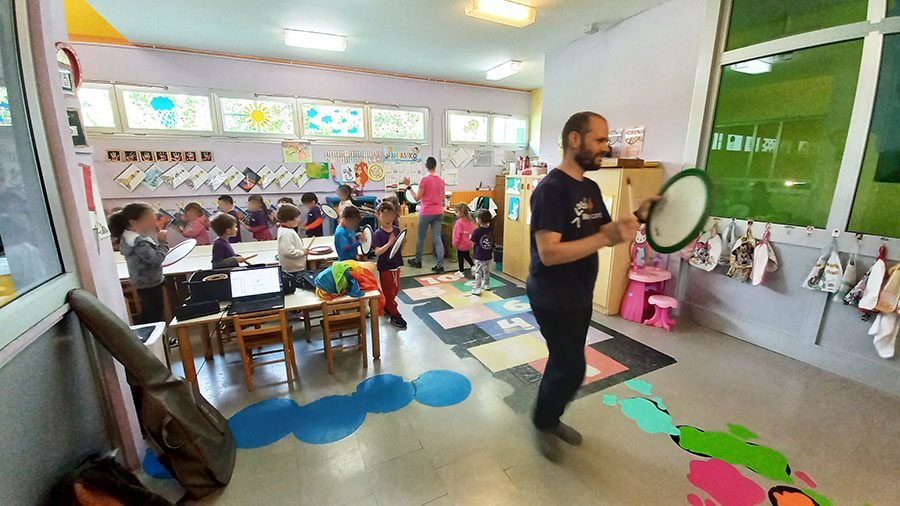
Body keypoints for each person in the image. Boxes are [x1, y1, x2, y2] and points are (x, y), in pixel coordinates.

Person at [528, 111, 656, 457]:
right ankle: (544, 421)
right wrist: (605, 239)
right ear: (574, 139)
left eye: (606, 140)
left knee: (565, 362)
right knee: (571, 366)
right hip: (552, 296)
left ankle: (546, 415)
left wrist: (640, 216)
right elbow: (549, 253)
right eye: (599, 139)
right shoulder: (551, 190)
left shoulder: (591, 187)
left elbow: (605, 234)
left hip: (579, 294)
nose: (606, 146)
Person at [108, 203, 169, 324]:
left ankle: (158, 338)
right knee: (153, 313)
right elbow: (155, 260)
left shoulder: (133, 238)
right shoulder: (138, 242)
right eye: (149, 220)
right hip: (148, 282)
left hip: (146, 281)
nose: (153, 223)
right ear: (133, 222)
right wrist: (163, 244)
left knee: (152, 311)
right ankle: (154, 339)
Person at [371, 202, 407, 329]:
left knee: (396, 289)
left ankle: (388, 306)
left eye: (390, 215)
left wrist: (401, 242)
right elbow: (377, 251)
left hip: (396, 264)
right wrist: (389, 243)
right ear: (379, 216)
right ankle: (395, 314)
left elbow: (398, 248)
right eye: (384, 215)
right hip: (385, 267)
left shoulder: (396, 230)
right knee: (389, 292)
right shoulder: (378, 233)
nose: (388, 218)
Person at [408, 157, 446, 273]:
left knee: (420, 237)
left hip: (426, 212)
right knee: (437, 238)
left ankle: (418, 261)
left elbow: (416, 198)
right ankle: (440, 265)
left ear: (426, 166)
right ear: (435, 166)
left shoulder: (424, 179)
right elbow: (443, 197)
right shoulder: (441, 180)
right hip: (438, 211)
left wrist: (409, 187)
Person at [276, 204, 309, 284]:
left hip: (295, 267)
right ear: (289, 219)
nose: (299, 219)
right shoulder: (286, 233)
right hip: (293, 269)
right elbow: (288, 252)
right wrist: (303, 252)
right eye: (297, 217)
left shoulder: (287, 230)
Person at [470, 209, 494, 295]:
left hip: (479, 256)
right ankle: (486, 284)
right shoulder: (490, 229)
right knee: (486, 271)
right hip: (488, 255)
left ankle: (477, 288)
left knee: (478, 272)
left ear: (479, 219)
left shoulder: (477, 231)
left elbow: (472, 242)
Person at [452, 203, 475, 275]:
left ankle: (461, 271)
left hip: (461, 243)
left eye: (456, 212)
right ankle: (473, 266)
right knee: (466, 255)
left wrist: (455, 243)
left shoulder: (459, 222)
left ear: (461, 212)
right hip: (468, 242)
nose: (456, 214)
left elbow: (457, 234)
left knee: (460, 257)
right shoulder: (470, 221)